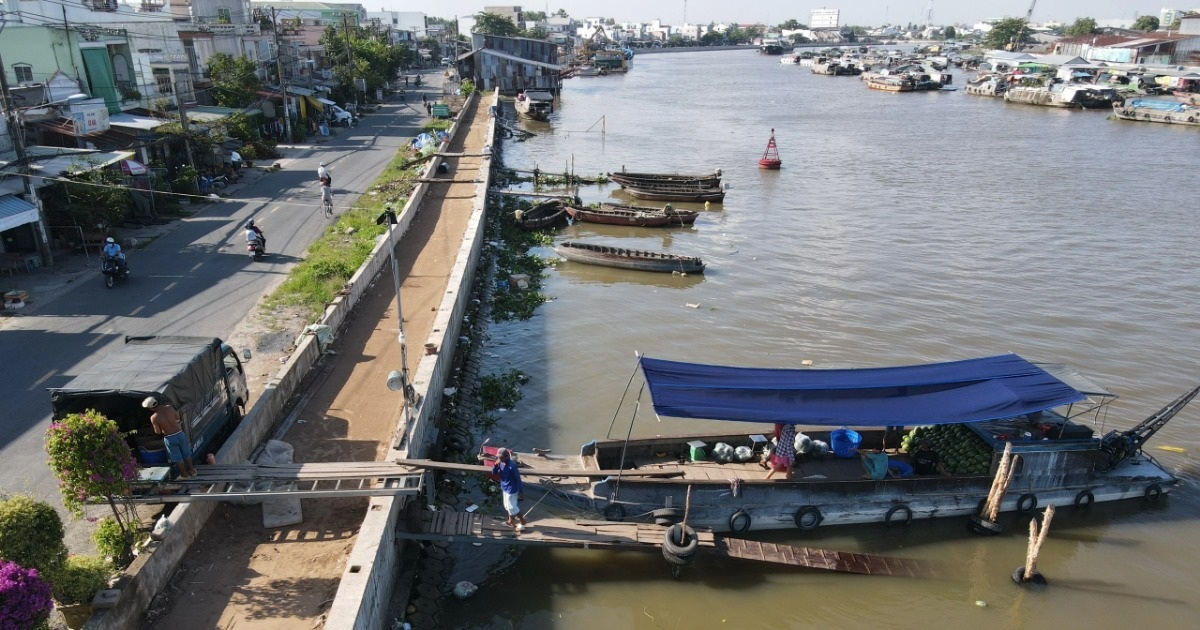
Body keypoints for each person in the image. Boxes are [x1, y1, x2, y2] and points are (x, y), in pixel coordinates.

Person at [145, 396, 196, 478]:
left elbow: (157, 432)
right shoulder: (169, 408)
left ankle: (184, 474)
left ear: (151, 409)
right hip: (180, 434)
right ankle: (192, 470)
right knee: (186, 453)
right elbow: (178, 417)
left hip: (169, 438)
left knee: (177, 457)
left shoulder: (154, 417)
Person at [491, 448, 526, 530]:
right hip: (504, 487)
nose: (499, 459)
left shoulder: (512, 466)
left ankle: (522, 521)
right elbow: (494, 473)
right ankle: (510, 521)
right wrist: (495, 465)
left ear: (506, 456)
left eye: (501, 457)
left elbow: (518, 479)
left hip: (512, 489)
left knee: (512, 507)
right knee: (506, 506)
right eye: (498, 457)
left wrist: (520, 491)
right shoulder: (500, 463)